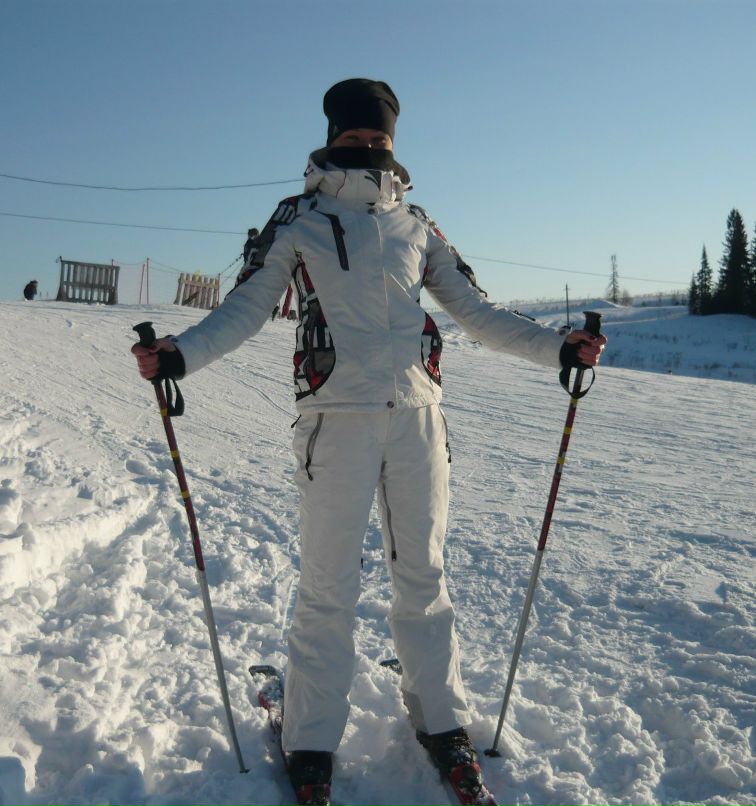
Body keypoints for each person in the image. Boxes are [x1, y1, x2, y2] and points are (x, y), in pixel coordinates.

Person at [132, 78, 607, 805]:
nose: (368, 147)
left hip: (418, 420)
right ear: (332, 137)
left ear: (393, 141)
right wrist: (181, 355)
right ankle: (312, 739)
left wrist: (559, 350)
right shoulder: (299, 219)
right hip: (335, 422)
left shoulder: (417, 224)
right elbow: (248, 306)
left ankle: (442, 722)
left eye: (379, 138)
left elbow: (476, 313)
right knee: (328, 589)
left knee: (424, 580)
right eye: (356, 137)